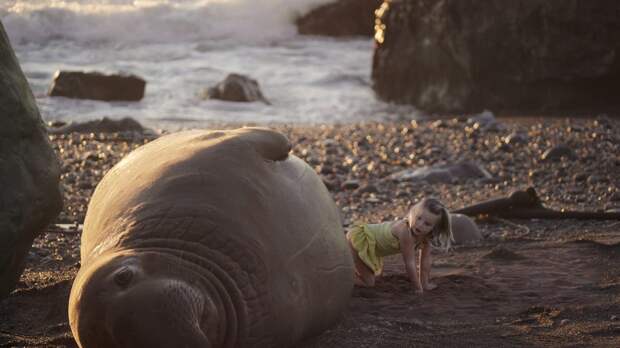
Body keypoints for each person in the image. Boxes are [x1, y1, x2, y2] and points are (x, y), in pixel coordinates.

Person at [346, 198, 453, 293]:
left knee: (377, 277)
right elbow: (410, 263)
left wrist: (424, 284)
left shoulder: (426, 236)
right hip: (361, 241)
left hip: (374, 248)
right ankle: (342, 278)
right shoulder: (405, 232)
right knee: (369, 283)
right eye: (419, 218)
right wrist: (417, 287)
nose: (420, 225)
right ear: (414, 212)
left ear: (434, 228)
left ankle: (352, 268)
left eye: (427, 224)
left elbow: (425, 261)